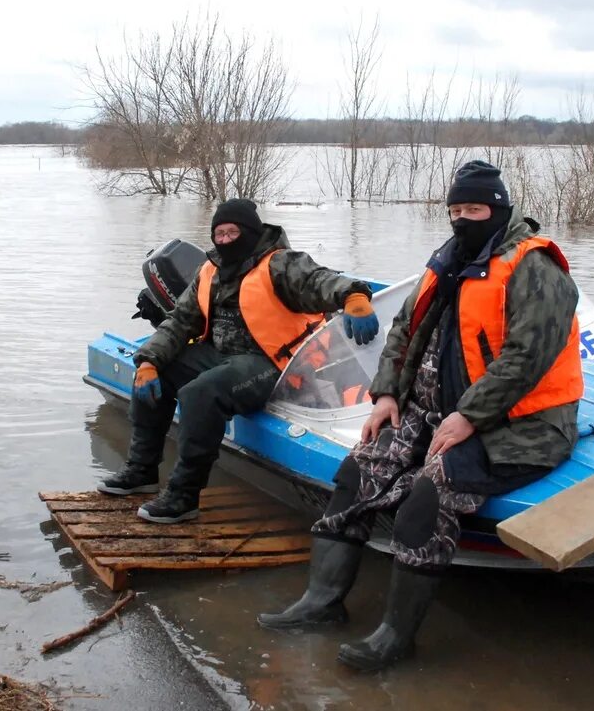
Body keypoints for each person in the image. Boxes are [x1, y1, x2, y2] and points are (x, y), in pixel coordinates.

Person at [258, 160, 583, 672]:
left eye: (473, 209)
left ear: (498, 209)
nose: (461, 218)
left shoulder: (535, 269)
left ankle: (395, 636)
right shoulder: (447, 261)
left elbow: (527, 358)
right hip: (429, 412)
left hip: (520, 425)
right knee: (356, 472)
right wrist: (386, 393)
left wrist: (470, 417)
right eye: (454, 209)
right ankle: (321, 603)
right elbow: (404, 329)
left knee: (427, 496)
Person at [98, 198, 381, 523]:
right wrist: (147, 361)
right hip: (221, 355)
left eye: (233, 232)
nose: (225, 239)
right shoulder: (209, 270)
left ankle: (184, 496)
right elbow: (179, 322)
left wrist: (355, 297)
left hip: (273, 365)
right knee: (156, 371)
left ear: (250, 232)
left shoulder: (282, 264)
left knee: (201, 393)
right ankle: (141, 471)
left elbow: (321, 280)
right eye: (219, 233)